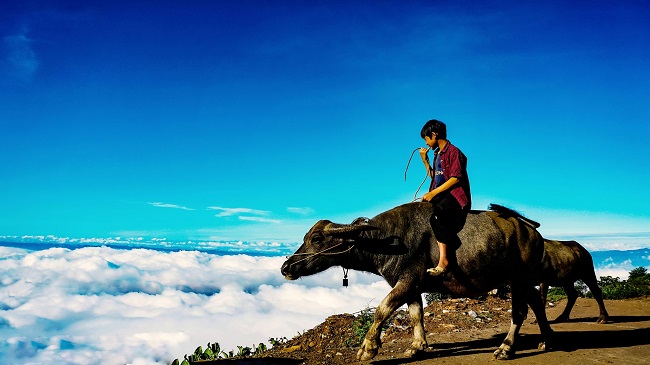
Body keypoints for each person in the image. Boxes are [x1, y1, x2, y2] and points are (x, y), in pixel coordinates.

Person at [419, 119, 471, 276]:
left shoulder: (454, 152)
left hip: (454, 197)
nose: (427, 143)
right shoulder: (437, 155)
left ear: (434, 135)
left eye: (427, 139)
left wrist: (433, 193)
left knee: (436, 217)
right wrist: (425, 161)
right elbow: (436, 178)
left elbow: (456, 178)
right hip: (441, 195)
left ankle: (445, 260)